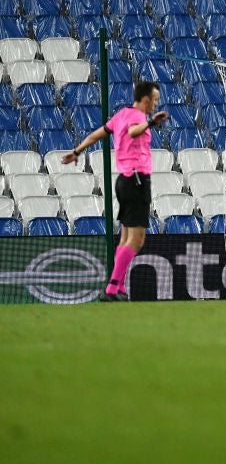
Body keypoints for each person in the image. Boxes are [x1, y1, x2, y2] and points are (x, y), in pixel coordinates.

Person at [63, 80, 168, 302]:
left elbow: (96, 135)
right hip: (137, 181)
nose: (156, 103)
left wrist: (76, 151)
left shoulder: (121, 114)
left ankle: (117, 286)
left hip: (124, 181)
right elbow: (133, 132)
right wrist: (150, 123)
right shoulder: (138, 118)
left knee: (126, 238)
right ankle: (112, 287)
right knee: (137, 240)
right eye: (155, 100)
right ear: (146, 99)